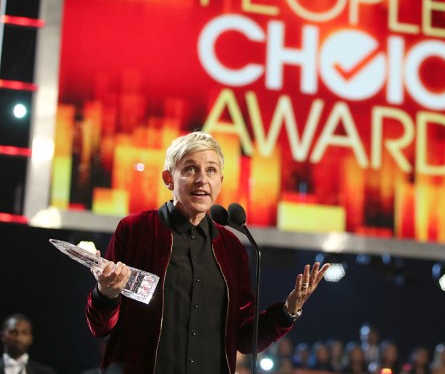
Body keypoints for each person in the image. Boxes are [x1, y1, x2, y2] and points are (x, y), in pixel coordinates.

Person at [84, 131, 329, 373]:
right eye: (190, 169)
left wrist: (287, 311)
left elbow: (245, 338)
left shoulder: (232, 248)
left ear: (220, 182)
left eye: (211, 170)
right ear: (169, 178)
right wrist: (106, 293)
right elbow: (101, 326)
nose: (202, 179)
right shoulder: (136, 231)